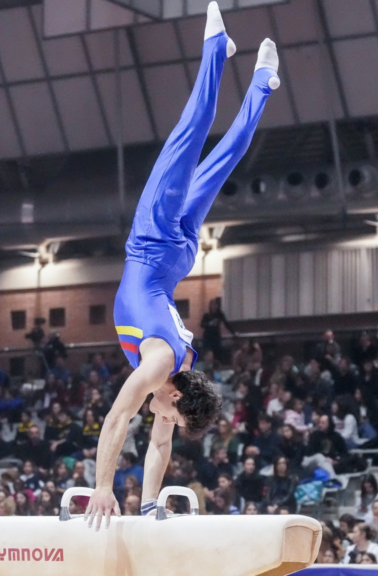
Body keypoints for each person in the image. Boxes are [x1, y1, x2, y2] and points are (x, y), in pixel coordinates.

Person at [87, 1, 281, 528]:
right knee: (189, 135)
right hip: (151, 244)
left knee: (225, 157)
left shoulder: (183, 373)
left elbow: (157, 448)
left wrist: (149, 505)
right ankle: (217, 50)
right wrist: (102, 489)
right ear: (173, 394)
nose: (163, 422)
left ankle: (264, 80)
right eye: (168, 413)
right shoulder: (156, 371)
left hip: (178, 256)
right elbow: (116, 420)